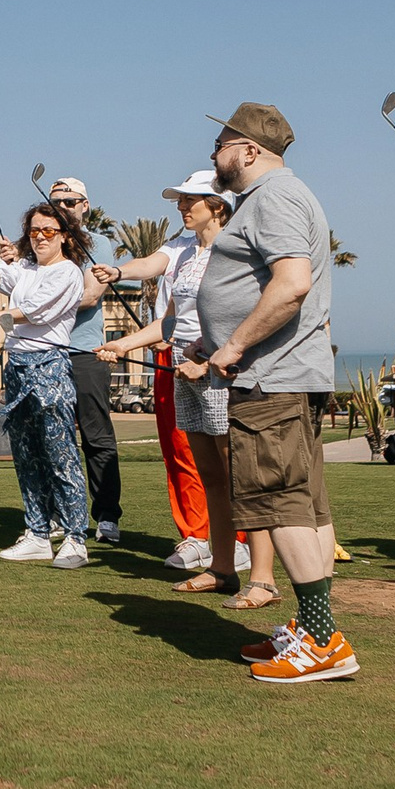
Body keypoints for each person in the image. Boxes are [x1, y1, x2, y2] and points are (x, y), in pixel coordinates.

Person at [192, 102, 357, 684]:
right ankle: (314, 630)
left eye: (219, 143)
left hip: (271, 379)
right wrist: (213, 342)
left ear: (248, 149)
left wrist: (233, 345)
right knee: (302, 506)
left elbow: (291, 286)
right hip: (277, 376)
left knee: (281, 503)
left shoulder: (276, 197)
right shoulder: (267, 200)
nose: (213, 154)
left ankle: (321, 641)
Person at [102, 172, 254, 597]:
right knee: (209, 474)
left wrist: (209, 363)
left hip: (220, 370)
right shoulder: (184, 252)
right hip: (183, 367)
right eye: (181, 201)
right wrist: (122, 341)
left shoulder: (237, 249)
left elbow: (245, 314)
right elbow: (167, 316)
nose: (182, 207)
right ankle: (221, 565)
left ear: (218, 206)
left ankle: (256, 567)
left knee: (234, 471)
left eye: (192, 201)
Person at [0, 204, 91, 568]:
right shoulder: (27, 268)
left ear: (64, 235)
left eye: (48, 231)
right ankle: (37, 533)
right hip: (16, 365)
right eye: (34, 232)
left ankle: (76, 538)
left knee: (60, 454)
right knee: (27, 455)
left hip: (49, 365)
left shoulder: (68, 273)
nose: (41, 238)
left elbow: (35, 310)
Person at [48, 177, 124, 543]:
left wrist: (38, 307)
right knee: (53, 440)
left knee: (97, 438)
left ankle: (107, 516)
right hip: (45, 354)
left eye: (69, 201)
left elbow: (91, 295)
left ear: (84, 205)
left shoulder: (100, 244)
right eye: (55, 201)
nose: (63, 207)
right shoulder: (39, 246)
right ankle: (58, 515)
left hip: (84, 352)